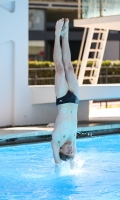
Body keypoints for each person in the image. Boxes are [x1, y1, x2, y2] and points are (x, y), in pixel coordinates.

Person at [51, 18, 79, 166]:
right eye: (71, 151)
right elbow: (74, 161)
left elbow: (57, 163)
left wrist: (59, 165)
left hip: (62, 99)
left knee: (60, 69)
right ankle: (66, 33)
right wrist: (72, 162)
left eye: (67, 151)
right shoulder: (73, 140)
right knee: (69, 67)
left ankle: (57, 34)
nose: (70, 149)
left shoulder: (56, 140)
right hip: (74, 99)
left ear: (60, 149)